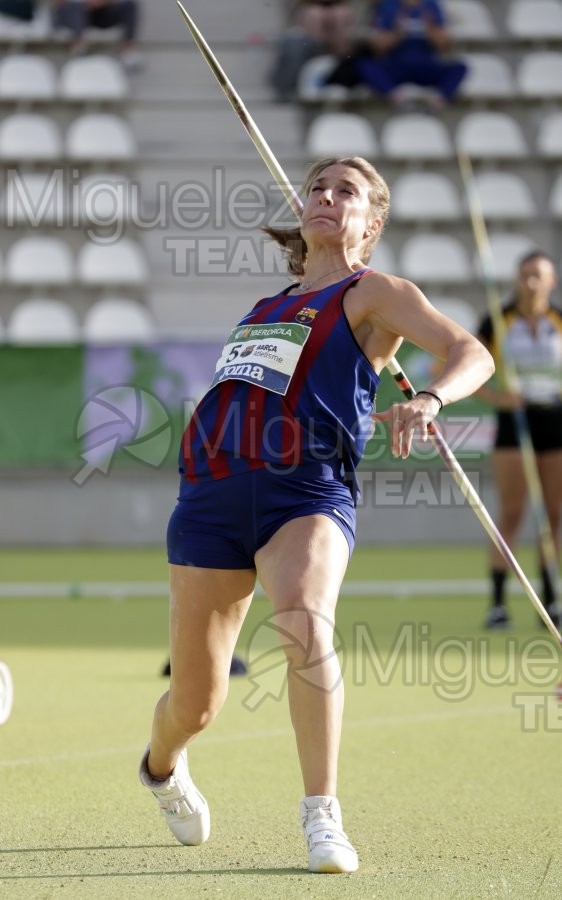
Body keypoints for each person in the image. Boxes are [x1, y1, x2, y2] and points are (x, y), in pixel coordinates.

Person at [138, 156, 494, 873]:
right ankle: (160, 767)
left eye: (347, 192)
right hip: (209, 497)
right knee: (197, 703)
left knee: (303, 619)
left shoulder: (375, 293)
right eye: (318, 189)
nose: (327, 198)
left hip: (306, 491)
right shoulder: (265, 307)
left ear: (372, 222)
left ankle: (321, 815)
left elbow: (471, 351)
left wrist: (428, 399)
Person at [477, 251, 562, 631]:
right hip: (514, 421)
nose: (530, 283)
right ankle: (498, 603)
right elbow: (465, 366)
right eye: (525, 275)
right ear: (516, 278)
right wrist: (499, 398)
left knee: (553, 516)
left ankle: (551, 600)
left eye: (538, 276)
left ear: (551, 281)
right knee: (511, 514)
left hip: (555, 419)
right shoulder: (498, 321)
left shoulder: (558, 322)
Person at [351, 0, 468, 107]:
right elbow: (378, 47)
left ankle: (438, 100)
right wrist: (397, 34)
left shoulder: (431, 5)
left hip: (426, 66)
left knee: (460, 67)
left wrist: (430, 30)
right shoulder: (389, 6)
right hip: (397, 66)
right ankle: (395, 97)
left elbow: (444, 45)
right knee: (363, 65)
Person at [269, 0, 356, 102]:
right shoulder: (310, 15)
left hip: (335, 58)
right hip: (308, 57)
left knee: (340, 14)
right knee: (315, 15)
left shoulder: (342, 13)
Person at [50, 0, 143, 70]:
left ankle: (127, 50)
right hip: (71, 13)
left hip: (97, 13)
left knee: (129, 5)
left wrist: (98, 3)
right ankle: (78, 46)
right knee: (77, 6)